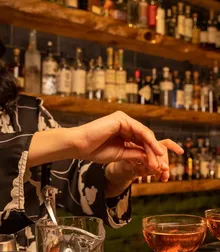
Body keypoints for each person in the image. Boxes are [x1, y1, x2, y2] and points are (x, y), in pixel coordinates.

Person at [0, 46, 183, 236]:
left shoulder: (27, 111)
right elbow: (76, 145)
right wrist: (79, 140)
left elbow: (72, 182)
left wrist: (119, 171)